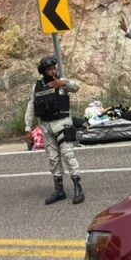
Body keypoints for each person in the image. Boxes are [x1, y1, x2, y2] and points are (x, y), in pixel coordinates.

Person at [25, 56, 84, 204]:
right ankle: (59, 190)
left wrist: (63, 83)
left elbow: (76, 87)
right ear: (43, 71)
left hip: (62, 124)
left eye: (54, 68)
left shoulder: (61, 82)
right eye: (49, 69)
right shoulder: (37, 86)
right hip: (46, 127)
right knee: (53, 159)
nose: (53, 71)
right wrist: (27, 128)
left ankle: (78, 187)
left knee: (68, 155)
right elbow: (31, 107)